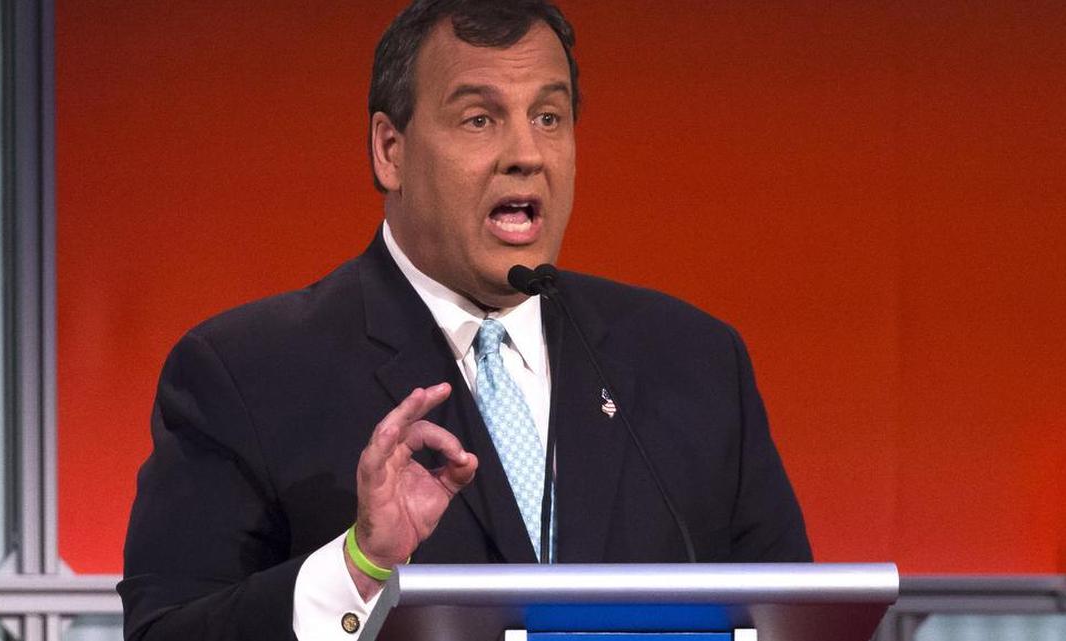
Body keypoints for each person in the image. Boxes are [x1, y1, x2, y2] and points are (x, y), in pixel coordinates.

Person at [119, 1, 811, 640]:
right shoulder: (246, 372)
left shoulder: (693, 362)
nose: (526, 153)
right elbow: (165, 632)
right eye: (480, 118)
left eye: (549, 116)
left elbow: (794, 619)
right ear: (390, 150)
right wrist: (358, 566)